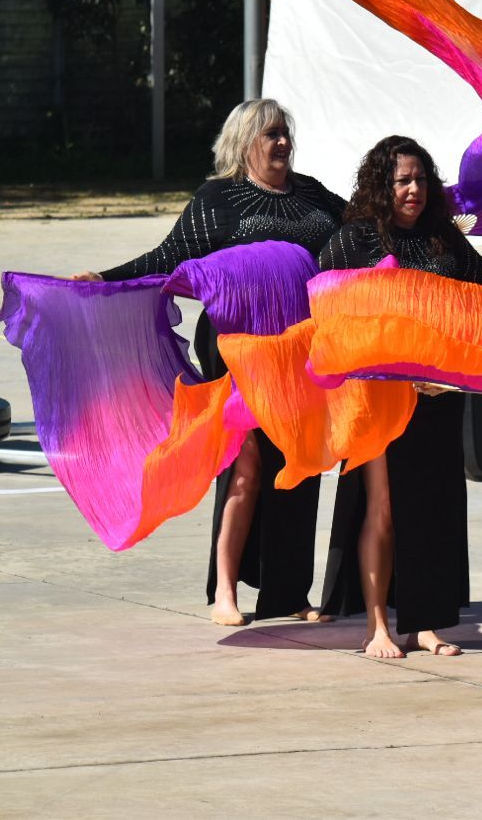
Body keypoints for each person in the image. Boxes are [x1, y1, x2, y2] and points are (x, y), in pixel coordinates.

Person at [75, 98, 345, 627]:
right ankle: (225, 591)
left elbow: (359, 231)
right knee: (244, 466)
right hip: (235, 347)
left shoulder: (312, 195)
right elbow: (167, 257)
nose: (284, 144)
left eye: (286, 133)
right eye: (272, 135)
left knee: (299, 464)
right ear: (245, 143)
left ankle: (289, 591)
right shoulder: (219, 199)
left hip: (300, 349)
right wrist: (104, 280)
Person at [318, 134, 482, 659]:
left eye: (421, 180)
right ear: (382, 185)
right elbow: (328, 310)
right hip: (379, 397)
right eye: (403, 180)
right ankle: (377, 625)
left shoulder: (442, 239)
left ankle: (425, 623)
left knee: (435, 507)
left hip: (440, 394)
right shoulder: (356, 240)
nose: (414, 190)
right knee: (383, 507)